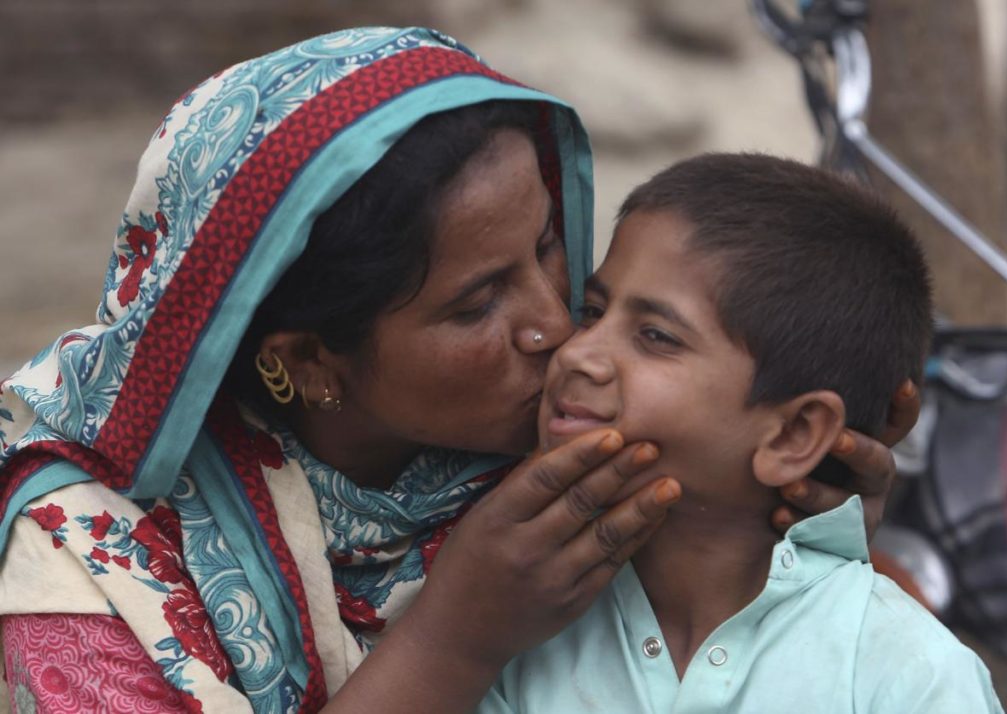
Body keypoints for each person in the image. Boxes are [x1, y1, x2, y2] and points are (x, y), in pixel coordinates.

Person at [0, 29, 915, 713]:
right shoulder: (84, 568)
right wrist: (452, 641)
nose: (557, 329)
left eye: (552, 246)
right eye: (477, 305)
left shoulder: (590, 454)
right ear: (309, 363)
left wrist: (793, 530)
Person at [476, 153, 1004, 714]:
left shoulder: (906, 676)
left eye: (655, 335)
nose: (579, 352)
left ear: (793, 435)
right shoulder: (519, 623)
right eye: (591, 311)